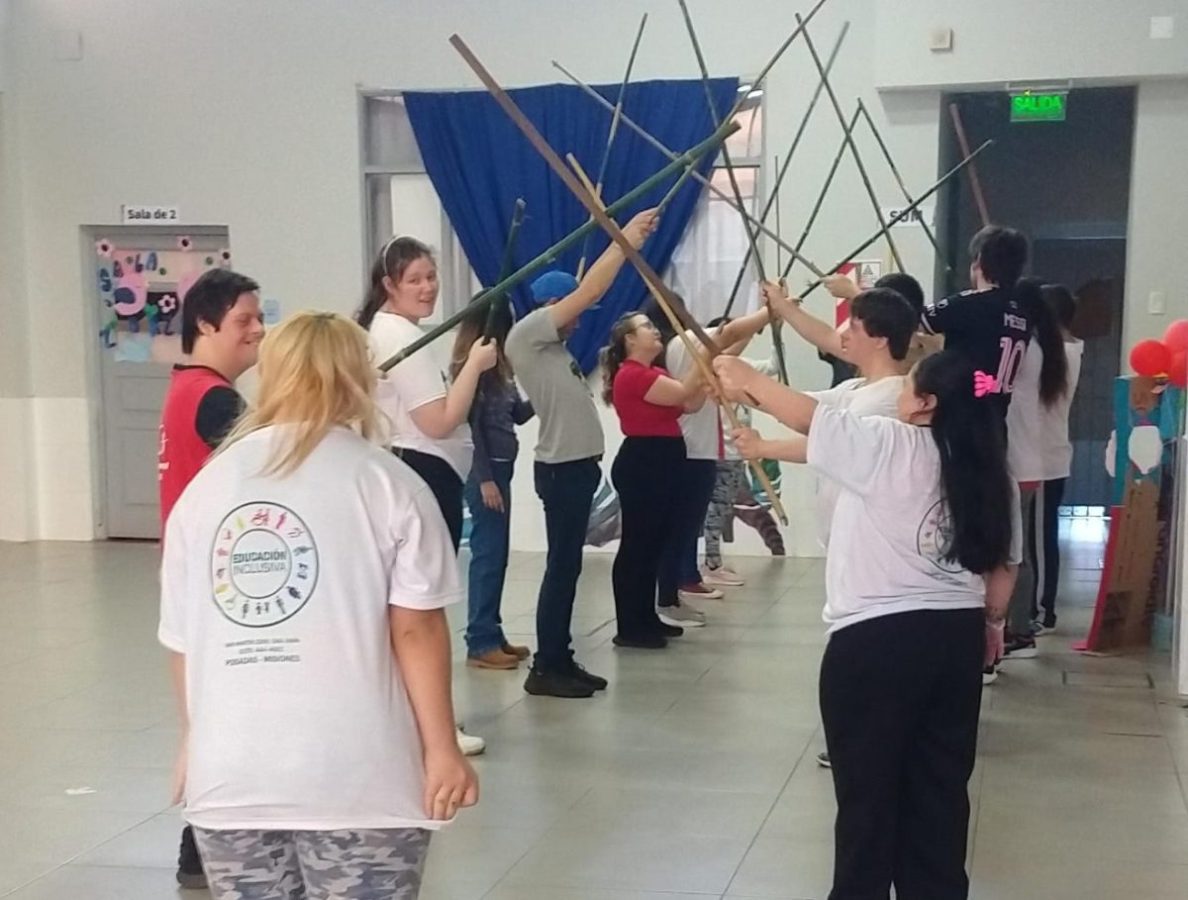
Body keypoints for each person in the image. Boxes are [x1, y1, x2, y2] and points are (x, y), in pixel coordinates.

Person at [160, 312, 478, 900]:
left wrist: (193, 741)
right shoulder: (390, 483)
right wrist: (442, 749)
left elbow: (182, 641)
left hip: (229, 778)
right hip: (360, 780)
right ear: (360, 376)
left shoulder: (205, 489)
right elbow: (415, 632)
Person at [716, 349, 1020, 900]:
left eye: (908, 389)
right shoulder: (988, 464)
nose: (898, 396)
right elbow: (1004, 564)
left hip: (877, 643)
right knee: (940, 794)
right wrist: (992, 624)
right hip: (956, 641)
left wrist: (748, 379)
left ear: (926, 404)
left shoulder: (890, 443)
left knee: (868, 802)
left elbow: (814, 419)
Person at [749, 285, 920, 765]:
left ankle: (867, 738)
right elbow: (804, 406)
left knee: (866, 646)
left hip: (876, 547)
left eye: (855, 326)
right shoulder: (854, 390)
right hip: (847, 541)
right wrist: (736, 382)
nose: (843, 335)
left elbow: (819, 436)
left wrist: (763, 443)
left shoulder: (890, 400)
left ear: (880, 338)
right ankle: (859, 735)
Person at [505, 209, 659, 698]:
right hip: (561, 471)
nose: (578, 323)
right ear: (554, 304)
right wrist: (624, 241)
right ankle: (546, 666)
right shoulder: (529, 334)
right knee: (561, 567)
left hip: (576, 469)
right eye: (571, 313)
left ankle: (560, 656)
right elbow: (590, 292)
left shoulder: (557, 349)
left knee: (568, 567)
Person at [357, 236, 497, 756]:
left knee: (410, 605)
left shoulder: (394, 330)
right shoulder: (395, 333)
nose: (426, 287)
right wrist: (474, 369)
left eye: (430, 276)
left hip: (418, 472)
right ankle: (432, 727)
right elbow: (437, 421)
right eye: (413, 279)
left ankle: (413, 719)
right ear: (388, 285)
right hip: (420, 471)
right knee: (422, 606)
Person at [157, 266, 263, 890]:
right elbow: (269, 463)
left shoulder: (188, 388)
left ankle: (200, 847)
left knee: (216, 709)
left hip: (195, 574)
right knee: (222, 712)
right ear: (205, 324)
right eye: (244, 321)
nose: (256, 331)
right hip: (211, 579)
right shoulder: (213, 397)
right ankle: (201, 845)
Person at [641, 298, 773, 626]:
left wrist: (762, 323)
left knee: (686, 525)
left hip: (695, 449)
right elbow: (726, 335)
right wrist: (768, 312)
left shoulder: (680, 347)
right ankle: (676, 588)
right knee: (682, 527)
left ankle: (679, 586)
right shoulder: (681, 344)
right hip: (691, 449)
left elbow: (727, 350)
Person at [601, 312, 705, 648]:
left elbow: (688, 402)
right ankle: (629, 626)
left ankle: (645, 616)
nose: (655, 331)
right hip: (643, 463)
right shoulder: (630, 375)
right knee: (637, 546)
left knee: (654, 544)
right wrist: (705, 356)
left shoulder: (656, 373)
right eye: (646, 327)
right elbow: (681, 393)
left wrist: (706, 378)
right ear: (630, 340)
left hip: (663, 461)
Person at [451, 302, 534, 670]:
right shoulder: (473, 368)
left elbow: (515, 414)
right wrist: (484, 478)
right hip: (487, 474)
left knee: (497, 553)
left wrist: (546, 396)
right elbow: (472, 428)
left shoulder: (499, 368)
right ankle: (480, 640)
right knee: (487, 553)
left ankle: (492, 632)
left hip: (503, 467)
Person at [1001, 280, 1074, 659]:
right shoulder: (1051, 350)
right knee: (1029, 543)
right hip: (1040, 458)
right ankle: (1028, 614)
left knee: (1031, 546)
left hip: (1038, 459)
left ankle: (1037, 615)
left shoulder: (1042, 351)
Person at [920, 226, 1037, 421]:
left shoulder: (970, 304)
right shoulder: (1022, 314)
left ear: (979, 261)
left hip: (962, 418)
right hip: (997, 422)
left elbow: (914, 321)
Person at [1030, 285, 1083, 632]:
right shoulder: (1061, 350)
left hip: (1043, 460)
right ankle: (1040, 606)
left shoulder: (1060, 353)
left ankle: (1042, 610)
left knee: (1041, 538)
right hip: (1045, 458)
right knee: (1041, 536)